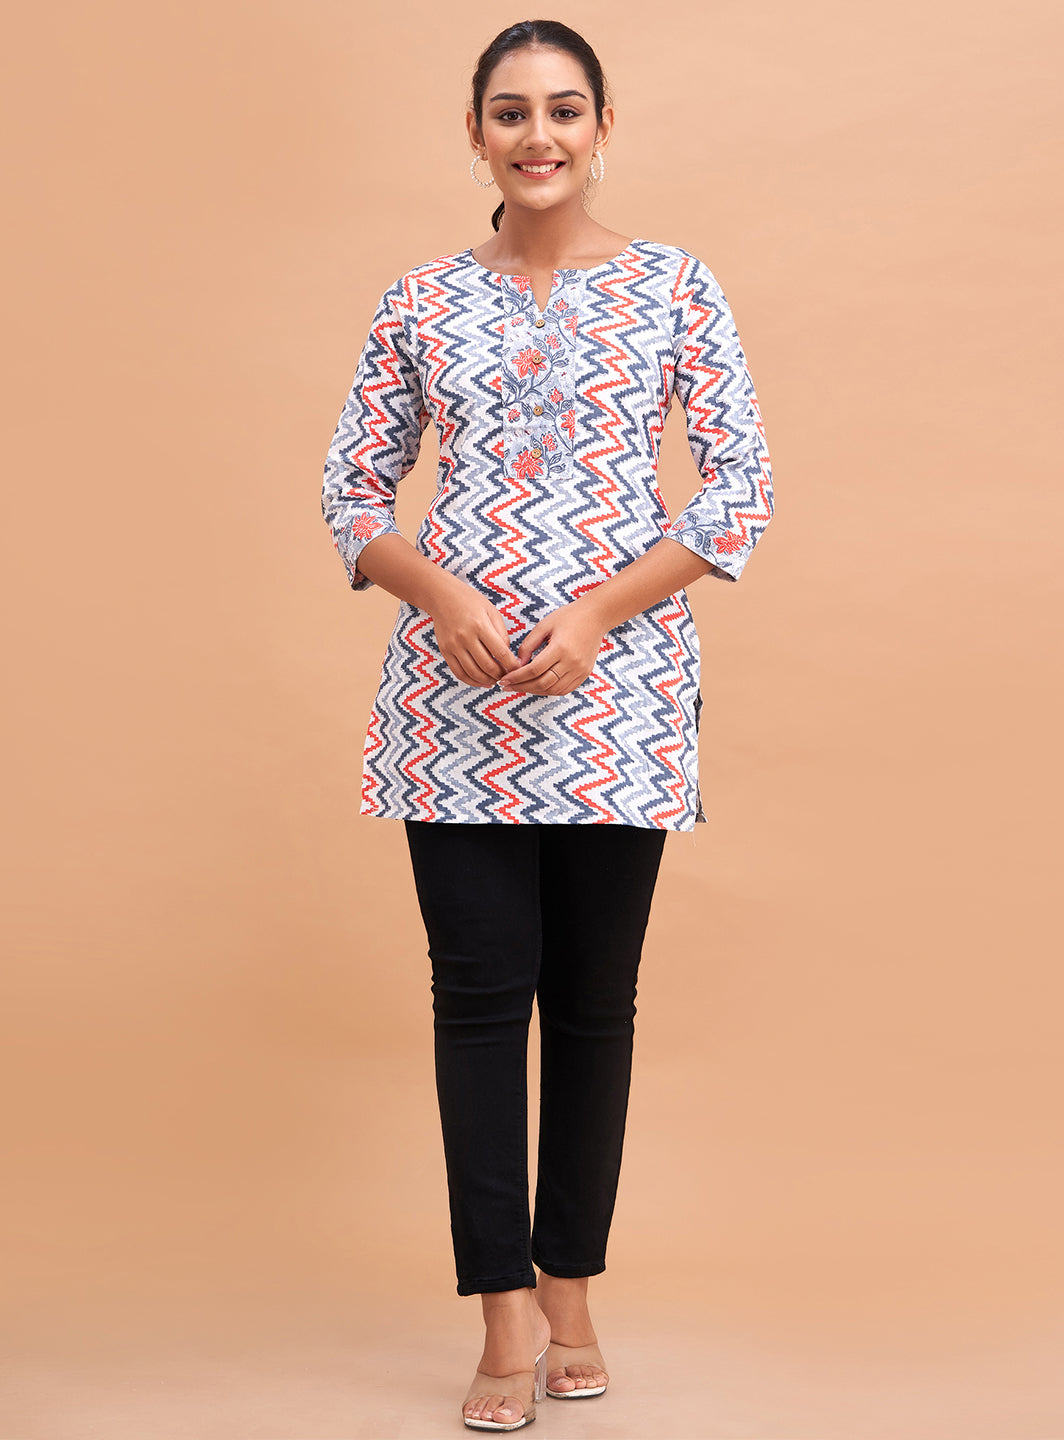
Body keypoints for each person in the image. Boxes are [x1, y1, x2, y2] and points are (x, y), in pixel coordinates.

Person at [321, 19, 774, 1431]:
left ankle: (572, 1285)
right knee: (476, 1002)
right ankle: (502, 1316)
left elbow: (739, 490)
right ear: (476, 135)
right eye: (510, 112)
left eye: (564, 110)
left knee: (591, 1003)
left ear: (603, 126)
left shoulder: (674, 287)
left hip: (618, 701)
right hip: (449, 711)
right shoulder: (420, 301)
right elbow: (350, 492)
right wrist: (436, 587)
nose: (539, 136)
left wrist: (598, 614)